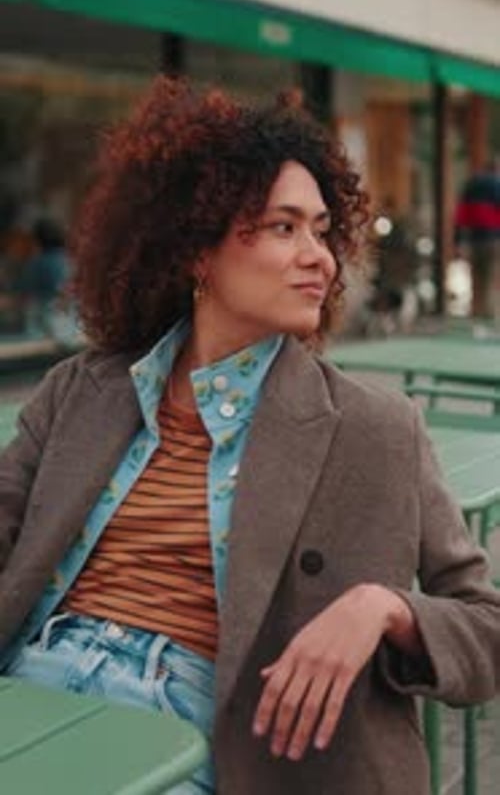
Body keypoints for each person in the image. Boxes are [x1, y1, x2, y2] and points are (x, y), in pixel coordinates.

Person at [0, 77, 499, 795]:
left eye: (323, 231)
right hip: (35, 685)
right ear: (197, 250)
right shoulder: (84, 390)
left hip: (201, 731)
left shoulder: (376, 428)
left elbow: (486, 627)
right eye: (283, 227)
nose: (321, 258)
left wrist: (385, 608)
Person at [454, 159, 500, 319]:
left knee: (476, 278)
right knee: (491, 277)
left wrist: (458, 240)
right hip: (493, 238)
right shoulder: (496, 184)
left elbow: (461, 215)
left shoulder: (471, 185)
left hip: (474, 238)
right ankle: (489, 314)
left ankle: (476, 312)